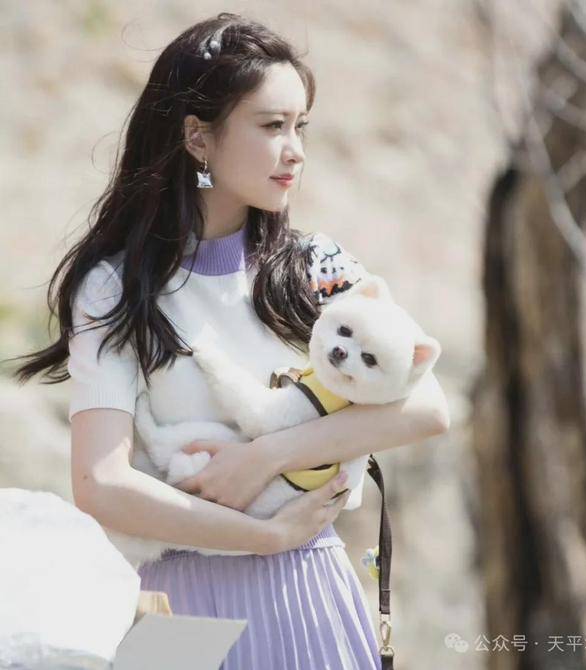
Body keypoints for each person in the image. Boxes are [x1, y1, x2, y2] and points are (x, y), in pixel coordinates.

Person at [12, 12, 450, 669]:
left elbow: (428, 407)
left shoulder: (317, 265)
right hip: (177, 607)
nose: (295, 150)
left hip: (307, 590)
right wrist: (263, 536)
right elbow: (100, 481)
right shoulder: (115, 287)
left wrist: (267, 455)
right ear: (198, 137)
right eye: (272, 126)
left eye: (301, 127)